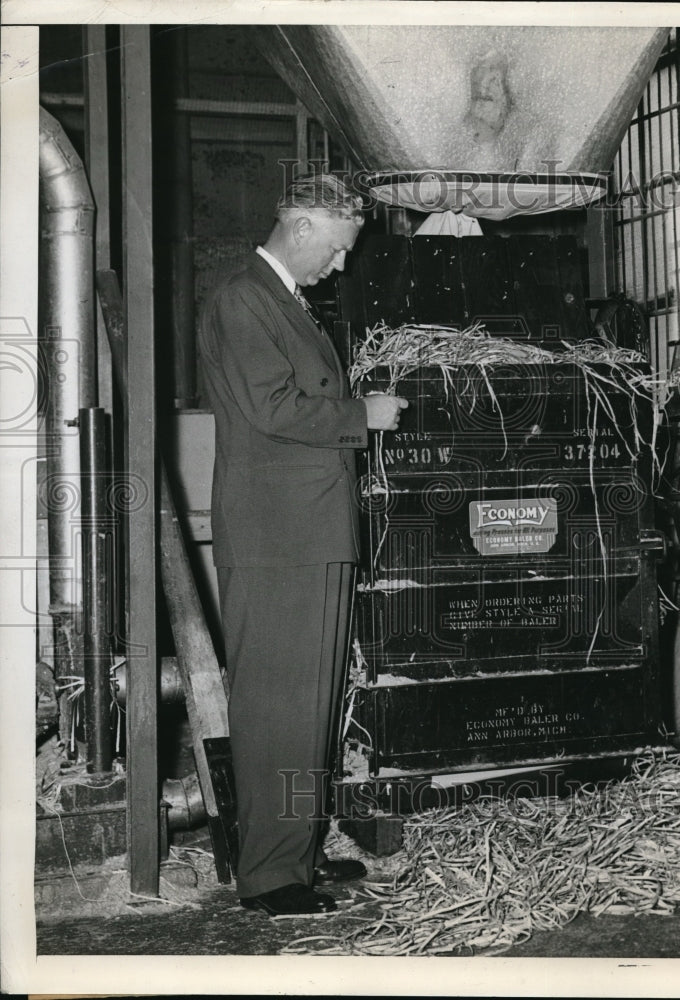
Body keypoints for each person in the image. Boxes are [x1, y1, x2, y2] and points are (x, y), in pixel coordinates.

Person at [199, 174, 408, 917]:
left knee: (310, 710)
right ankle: (269, 877)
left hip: (306, 529)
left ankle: (296, 855)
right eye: (340, 248)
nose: (342, 265)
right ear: (304, 224)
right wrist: (365, 414)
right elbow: (273, 407)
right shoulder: (242, 299)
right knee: (278, 710)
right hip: (278, 535)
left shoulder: (280, 301)